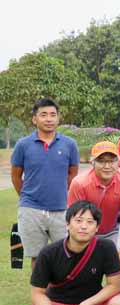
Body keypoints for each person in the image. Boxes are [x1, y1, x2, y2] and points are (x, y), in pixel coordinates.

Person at [11, 98, 80, 269]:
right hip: (31, 210)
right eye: (43, 115)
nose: (48, 119)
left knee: (66, 254)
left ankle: (62, 294)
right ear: (35, 119)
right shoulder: (23, 145)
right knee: (38, 257)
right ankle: (40, 293)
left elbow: (73, 174)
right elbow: (16, 176)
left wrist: (63, 197)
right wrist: (28, 197)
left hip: (61, 209)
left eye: (52, 115)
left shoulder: (69, 144)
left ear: (58, 118)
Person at [68, 141, 120, 294]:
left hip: (113, 230)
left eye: (111, 161)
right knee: (79, 269)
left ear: (118, 162)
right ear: (92, 162)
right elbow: (77, 219)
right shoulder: (80, 183)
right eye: (102, 161)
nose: (107, 166)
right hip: (86, 231)